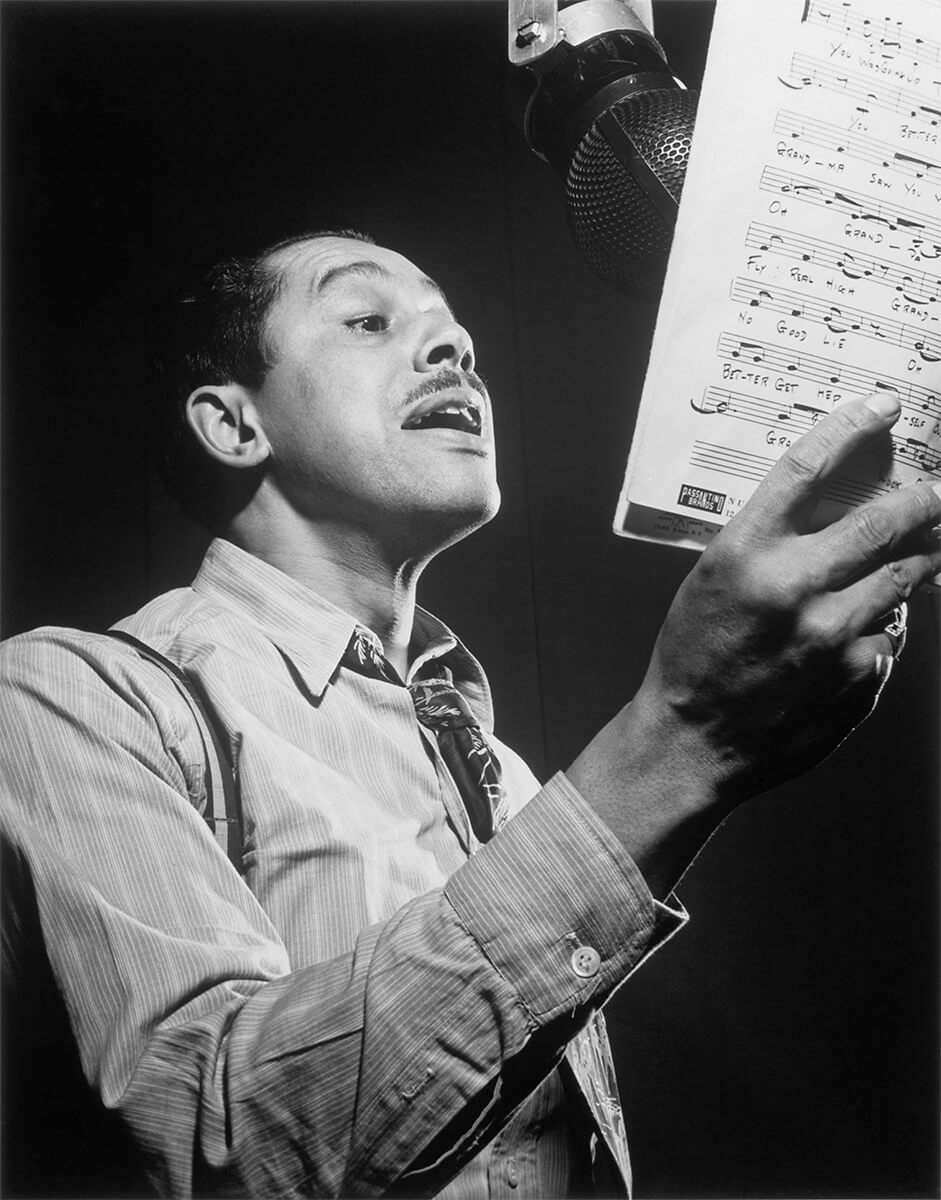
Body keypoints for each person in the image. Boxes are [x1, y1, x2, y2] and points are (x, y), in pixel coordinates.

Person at [1, 228, 938, 1200]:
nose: (455, 351)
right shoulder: (72, 697)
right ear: (233, 425)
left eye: (460, 341)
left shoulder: (507, 778)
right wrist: (676, 745)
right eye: (368, 318)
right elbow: (217, 1147)